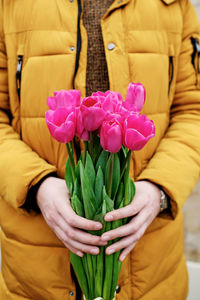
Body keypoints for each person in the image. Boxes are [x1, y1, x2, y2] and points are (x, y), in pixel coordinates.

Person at [0, 0, 200, 299]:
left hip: (148, 265)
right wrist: (35, 185)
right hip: (35, 264)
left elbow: (193, 110)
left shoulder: (172, 4)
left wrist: (159, 189)